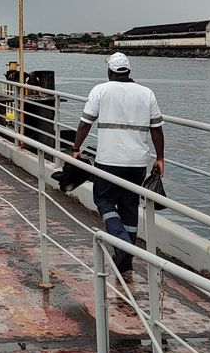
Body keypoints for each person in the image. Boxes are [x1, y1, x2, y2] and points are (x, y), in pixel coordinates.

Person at [70, 52, 164, 275]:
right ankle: (126, 260)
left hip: (109, 160)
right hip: (137, 162)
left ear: (110, 71)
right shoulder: (146, 93)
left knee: (104, 199)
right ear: (128, 71)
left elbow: (85, 124)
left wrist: (76, 149)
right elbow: (157, 129)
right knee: (129, 205)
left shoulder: (100, 90)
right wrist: (160, 158)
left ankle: (121, 242)